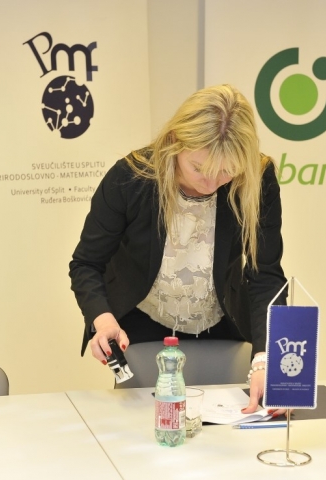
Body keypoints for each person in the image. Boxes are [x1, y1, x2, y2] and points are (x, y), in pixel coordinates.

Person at [69, 83, 287, 415]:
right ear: (175, 142)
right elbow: (86, 263)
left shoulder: (258, 178)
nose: (211, 184)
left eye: (227, 171)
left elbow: (265, 275)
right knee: (147, 423)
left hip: (221, 318)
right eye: (199, 168)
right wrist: (102, 317)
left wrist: (266, 359)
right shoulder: (131, 177)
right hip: (142, 320)